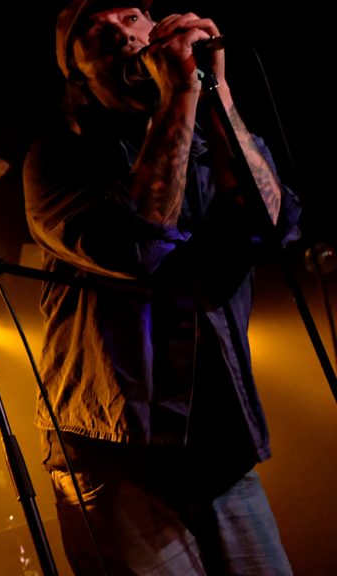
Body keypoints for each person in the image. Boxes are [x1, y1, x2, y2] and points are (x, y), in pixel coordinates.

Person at [22, 1, 300, 574]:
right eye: (95, 35)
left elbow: (275, 228)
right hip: (117, 458)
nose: (121, 36)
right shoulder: (59, 158)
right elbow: (140, 246)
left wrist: (216, 93)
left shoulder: (208, 134)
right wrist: (179, 98)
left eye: (130, 20)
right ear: (78, 76)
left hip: (221, 449)